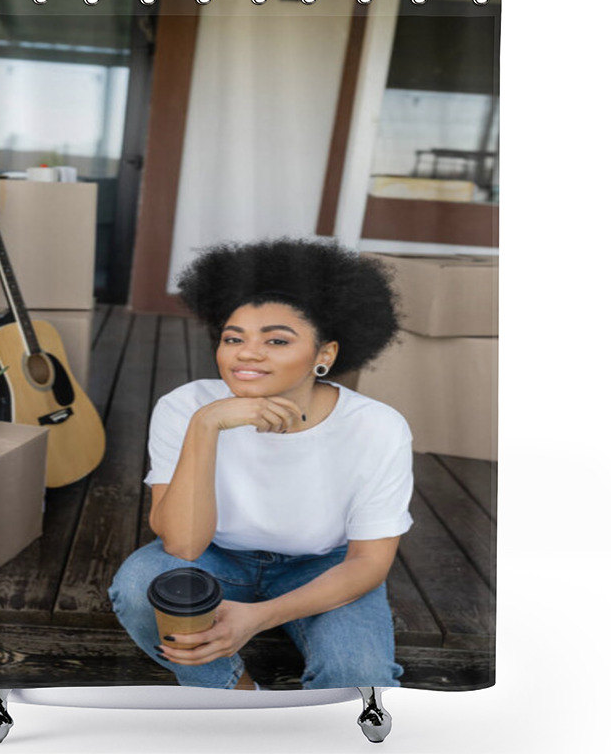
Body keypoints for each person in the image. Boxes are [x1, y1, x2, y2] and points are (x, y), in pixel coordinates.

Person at [108, 238, 414, 690]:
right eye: (234, 338)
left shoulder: (378, 428)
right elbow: (184, 546)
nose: (247, 354)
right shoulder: (186, 406)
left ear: (324, 355)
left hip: (321, 567)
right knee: (139, 585)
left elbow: (368, 562)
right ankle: (236, 698)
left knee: (359, 675)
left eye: (276, 340)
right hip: (216, 558)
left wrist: (258, 617)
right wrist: (206, 425)